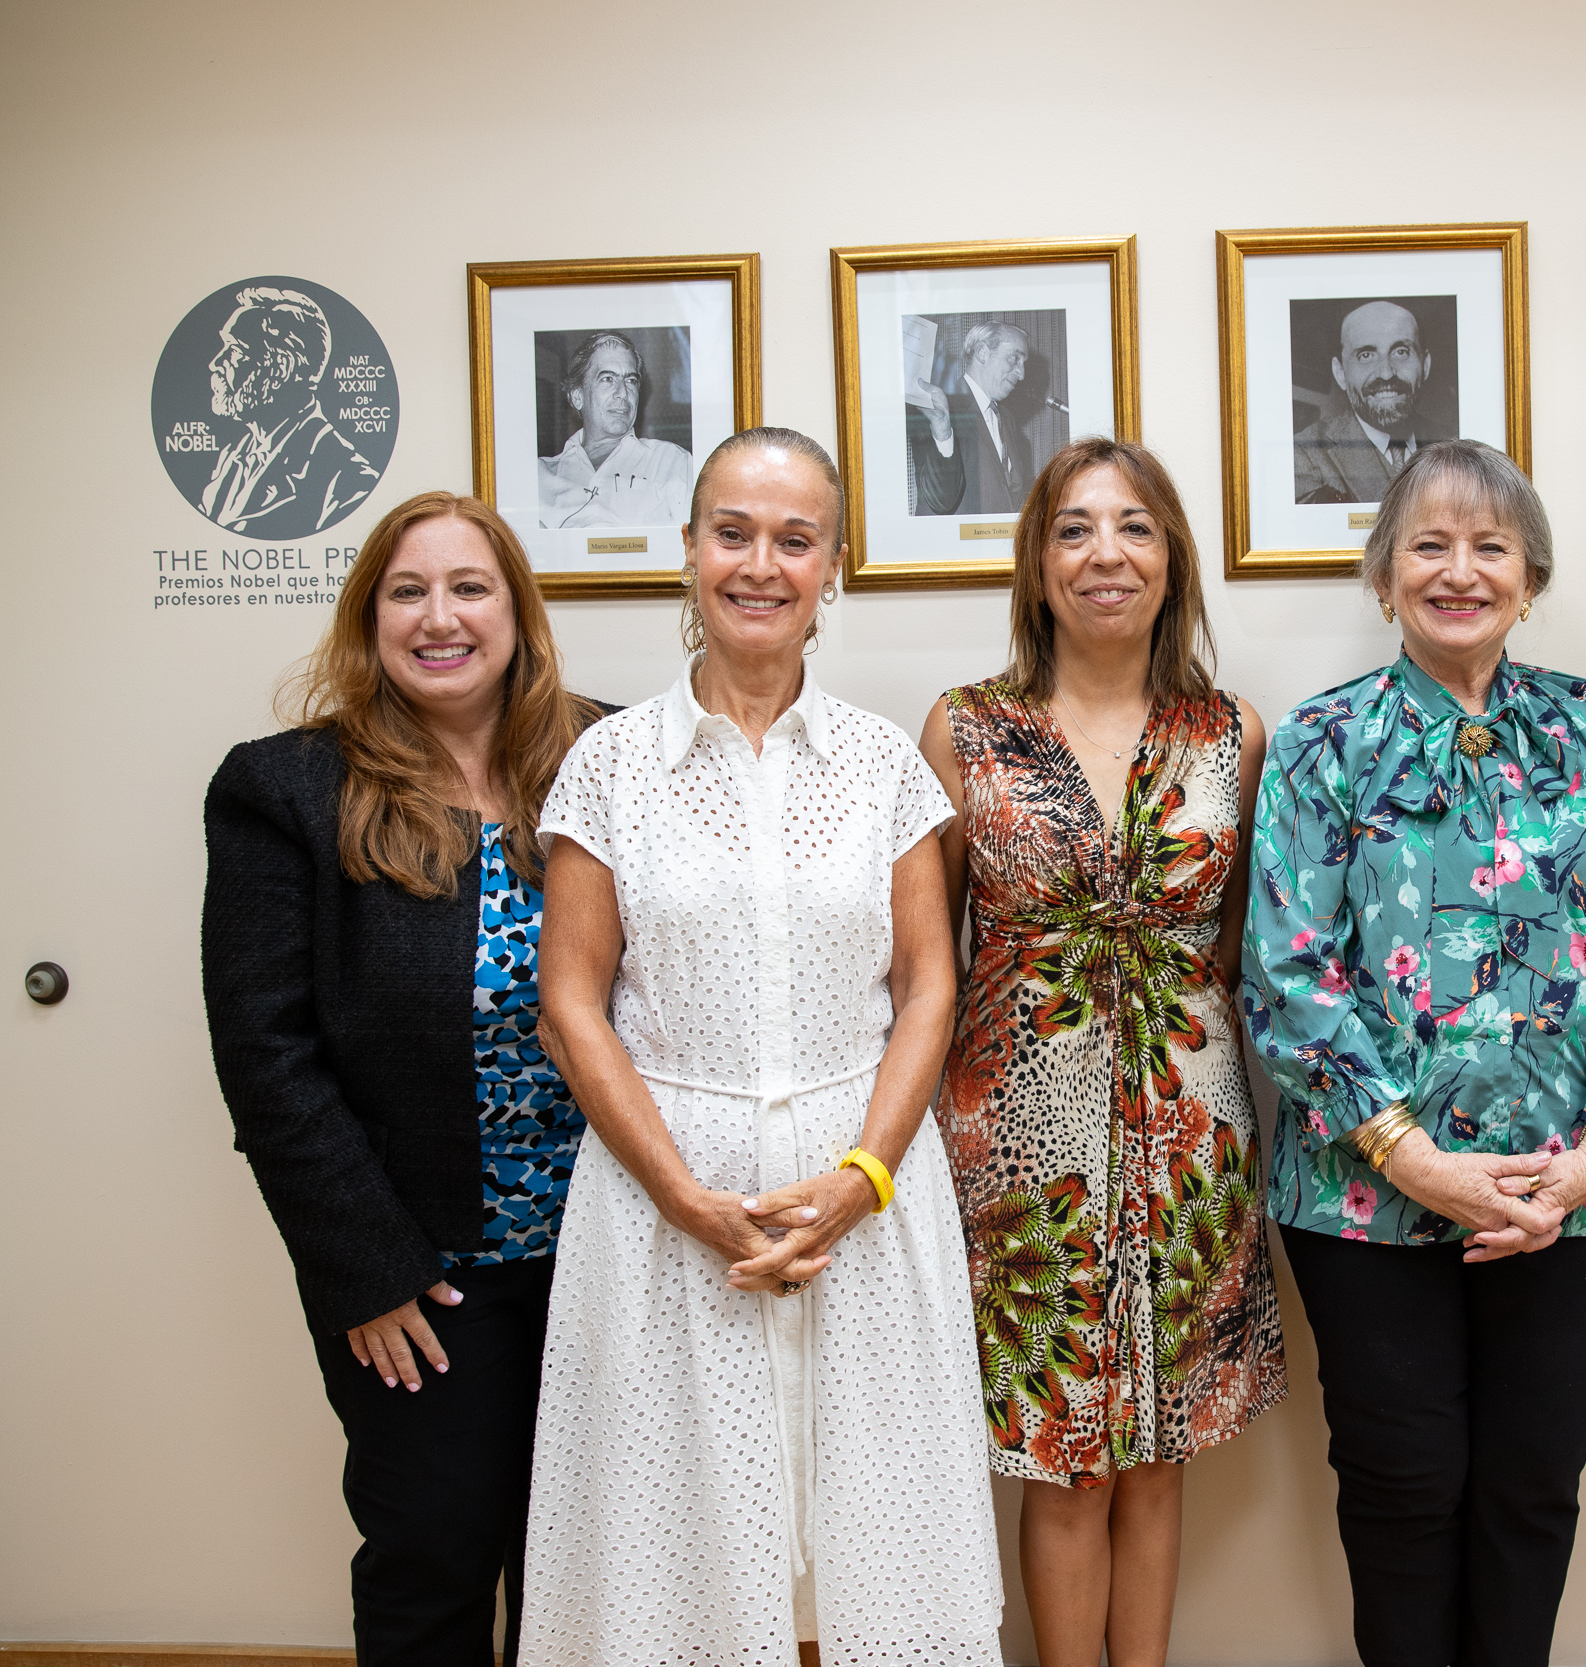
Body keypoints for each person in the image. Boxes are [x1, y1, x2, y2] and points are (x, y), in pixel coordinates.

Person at [521, 426, 1002, 1663]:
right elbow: (572, 1002)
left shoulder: (886, 765)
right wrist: (684, 1195)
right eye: (732, 532)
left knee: (873, 1529)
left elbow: (927, 987)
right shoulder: (608, 766)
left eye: (794, 539)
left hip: (864, 1198)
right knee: (673, 1536)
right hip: (662, 1199)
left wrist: (863, 1177)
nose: (760, 563)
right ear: (688, 550)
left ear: (831, 566)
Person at [1242, 438, 1586, 1665]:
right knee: (1401, 1491)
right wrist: (1413, 1158)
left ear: (1530, 575)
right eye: (1428, 545)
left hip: (1572, 1193)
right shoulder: (1320, 740)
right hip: (1360, 1195)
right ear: (1384, 575)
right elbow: (1288, 976)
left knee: (1531, 1488)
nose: (1459, 570)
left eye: (1489, 546)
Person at [202, 490, 607, 1666]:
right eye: (408, 590)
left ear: (518, 613)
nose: (441, 616)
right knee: (430, 1559)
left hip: (610, 1256)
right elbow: (266, 1057)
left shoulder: (606, 756)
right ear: (368, 615)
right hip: (421, 1279)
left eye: (470, 587)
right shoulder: (286, 788)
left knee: (587, 1569)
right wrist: (366, 1268)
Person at [920, 437, 1288, 1667]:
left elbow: (1232, 948)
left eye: (1133, 525)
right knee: (1061, 1454)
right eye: (1072, 528)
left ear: (1172, 555)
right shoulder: (966, 729)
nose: (1104, 553)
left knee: (1159, 1446)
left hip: (1190, 1130)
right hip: (1019, 1143)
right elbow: (930, 953)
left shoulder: (1229, 730)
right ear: (1035, 564)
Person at [199, 284, 381, 537]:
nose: (216, 363)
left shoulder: (347, 479)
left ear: (280, 368)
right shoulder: (233, 458)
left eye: (235, 350)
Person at [1293, 299, 1454, 504]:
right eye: (1366, 355)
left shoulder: (1455, 443)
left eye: (1401, 352)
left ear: (1425, 365)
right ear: (1340, 372)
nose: (1386, 373)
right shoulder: (1304, 454)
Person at [536, 330, 695, 528]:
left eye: (631, 380)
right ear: (577, 397)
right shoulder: (539, 476)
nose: (623, 393)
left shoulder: (671, 461)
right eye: (607, 379)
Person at [908, 320, 1034, 515]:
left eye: (1024, 363)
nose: (1022, 373)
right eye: (1014, 358)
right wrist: (942, 429)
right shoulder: (936, 409)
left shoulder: (1006, 418)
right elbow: (939, 500)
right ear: (982, 352)